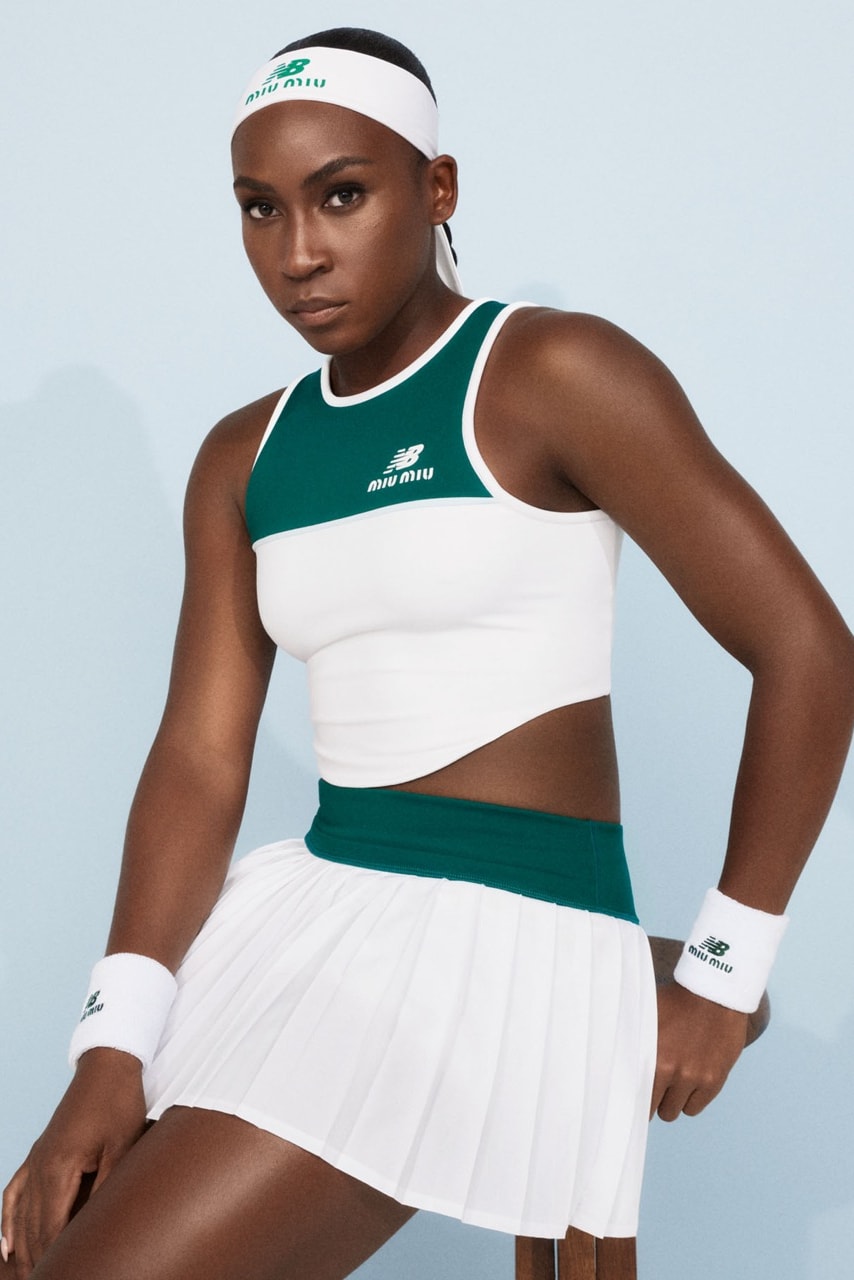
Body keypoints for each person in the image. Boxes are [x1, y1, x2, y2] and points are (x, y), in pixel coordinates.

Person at [2, 25, 852, 1280]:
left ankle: (608, 984)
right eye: (259, 208)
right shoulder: (244, 455)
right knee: (33, 1249)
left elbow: (806, 648)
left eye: (341, 195)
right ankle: (617, 986)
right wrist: (108, 1047)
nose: (298, 251)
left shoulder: (551, 372)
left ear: (436, 188)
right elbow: (197, 759)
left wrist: (725, 969)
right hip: (313, 915)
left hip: (493, 934)